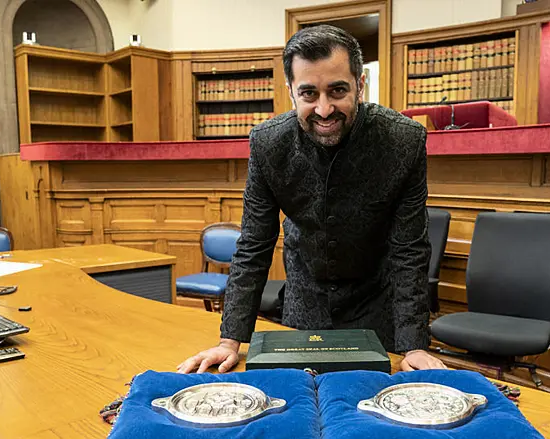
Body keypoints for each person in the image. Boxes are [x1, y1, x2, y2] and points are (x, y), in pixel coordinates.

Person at [178, 24, 446, 374]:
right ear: (291, 91)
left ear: (360, 85)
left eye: (337, 91)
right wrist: (230, 341)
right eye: (309, 94)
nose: (323, 110)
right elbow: (254, 245)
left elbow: (409, 249)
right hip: (305, 303)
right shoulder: (268, 144)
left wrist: (414, 345)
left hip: (377, 305)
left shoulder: (403, 141)